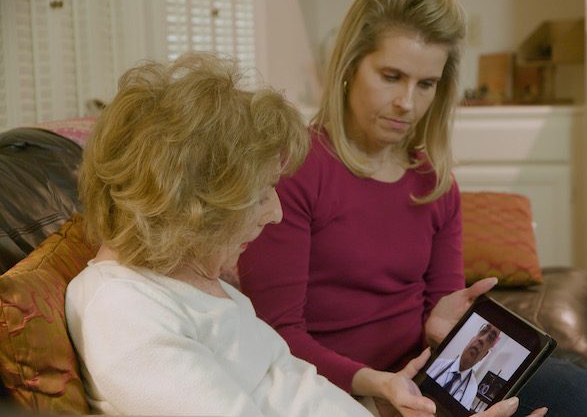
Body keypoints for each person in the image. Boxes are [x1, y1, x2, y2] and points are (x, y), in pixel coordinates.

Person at [238, 0, 587, 416]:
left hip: (427, 381)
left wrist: (443, 326)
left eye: (426, 84)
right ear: (350, 67)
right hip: (340, 390)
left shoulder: (434, 183)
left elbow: (441, 313)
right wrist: (379, 388)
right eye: (391, 76)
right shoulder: (296, 170)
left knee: (575, 393)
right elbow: (276, 333)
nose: (408, 102)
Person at [64, 53, 376, 416]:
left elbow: (293, 389)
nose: (275, 214)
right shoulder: (123, 312)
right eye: (259, 196)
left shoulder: (187, 278)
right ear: (188, 206)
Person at [428, 323, 501, 409]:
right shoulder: (438, 364)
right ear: (470, 341)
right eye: (484, 330)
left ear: (484, 356)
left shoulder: (472, 390)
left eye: (491, 337)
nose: (482, 339)